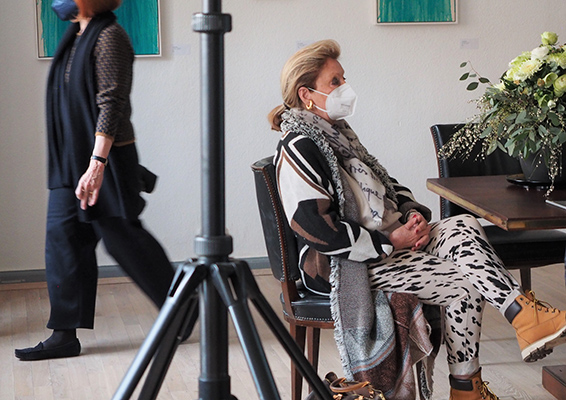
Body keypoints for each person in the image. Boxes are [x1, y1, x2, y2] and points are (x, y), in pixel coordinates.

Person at [268, 39, 566, 400]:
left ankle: (523, 317)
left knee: (465, 225)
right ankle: (466, 388)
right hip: (346, 265)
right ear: (306, 94)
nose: (345, 87)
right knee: (464, 283)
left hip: (387, 244)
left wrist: (412, 216)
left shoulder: (339, 135)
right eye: (335, 81)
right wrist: (390, 241)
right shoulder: (299, 145)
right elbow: (314, 227)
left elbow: (387, 185)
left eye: (343, 78)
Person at [15, 0, 175, 361]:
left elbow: (111, 103)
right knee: (63, 238)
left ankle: (181, 308)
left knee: (123, 240)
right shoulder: (75, 34)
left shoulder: (110, 36)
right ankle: (64, 334)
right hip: (70, 159)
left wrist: (97, 162)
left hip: (104, 159)